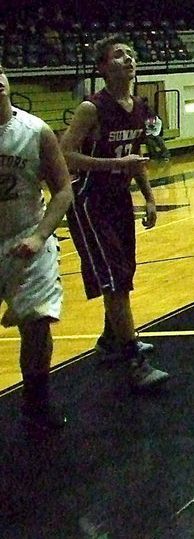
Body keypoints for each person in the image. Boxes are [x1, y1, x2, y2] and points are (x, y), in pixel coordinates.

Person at [60, 35, 169, 391]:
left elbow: (135, 158)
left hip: (120, 199)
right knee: (115, 279)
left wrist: (149, 198)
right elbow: (64, 156)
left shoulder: (139, 105)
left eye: (131, 54)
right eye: (119, 55)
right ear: (103, 67)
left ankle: (110, 340)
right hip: (90, 202)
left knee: (125, 274)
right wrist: (114, 163)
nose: (128, 59)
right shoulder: (91, 109)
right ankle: (135, 360)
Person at [0, 64, 73, 429]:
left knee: (38, 323)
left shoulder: (34, 131)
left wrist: (41, 235)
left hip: (27, 233)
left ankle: (36, 403)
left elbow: (63, 190)